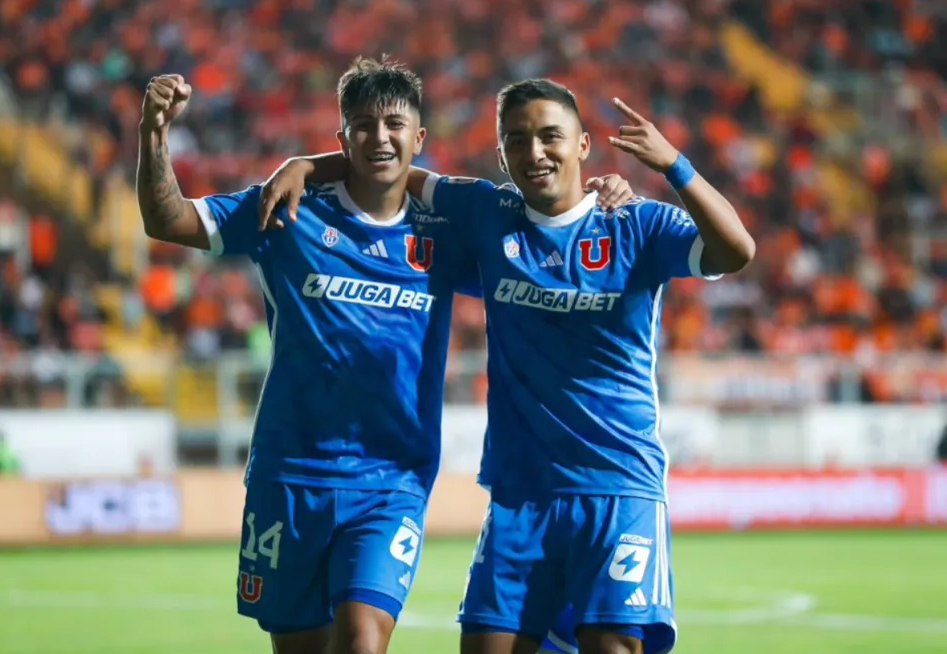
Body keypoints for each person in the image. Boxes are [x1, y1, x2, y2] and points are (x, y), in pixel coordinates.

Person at [136, 60, 634, 654]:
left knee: (362, 640)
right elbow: (167, 219)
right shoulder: (286, 211)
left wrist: (603, 195)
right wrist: (153, 134)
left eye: (395, 124)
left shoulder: (448, 228)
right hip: (289, 473)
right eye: (363, 126)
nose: (380, 137)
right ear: (342, 137)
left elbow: (546, 236)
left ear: (418, 137)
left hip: (391, 481)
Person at [261, 78, 755, 654]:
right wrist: (306, 165)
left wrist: (674, 165)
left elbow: (736, 250)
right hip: (520, 495)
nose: (535, 152)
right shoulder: (488, 213)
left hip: (618, 488)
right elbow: (390, 167)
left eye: (551, 137)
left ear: (584, 145)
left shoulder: (637, 224)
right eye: (517, 141)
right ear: (502, 155)